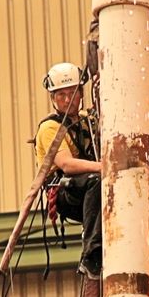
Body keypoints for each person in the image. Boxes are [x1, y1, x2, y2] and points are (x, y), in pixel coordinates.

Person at [34, 62, 102, 279]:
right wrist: (106, 167)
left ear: (81, 93)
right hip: (65, 191)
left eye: (72, 93)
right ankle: (90, 255)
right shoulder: (50, 128)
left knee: (101, 183)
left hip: (88, 185)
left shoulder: (87, 121)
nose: (66, 99)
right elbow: (67, 165)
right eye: (60, 94)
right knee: (97, 181)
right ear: (53, 98)